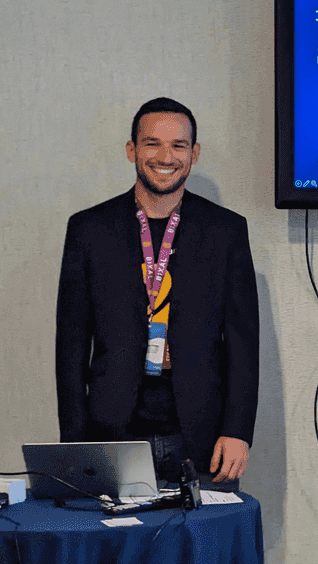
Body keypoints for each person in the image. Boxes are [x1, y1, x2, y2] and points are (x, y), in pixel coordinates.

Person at [56, 98, 259, 492]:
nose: (166, 156)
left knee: (196, 550)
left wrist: (238, 431)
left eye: (179, 146)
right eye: (152, 143)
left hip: (202, 438)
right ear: (132, 149)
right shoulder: (88, 229)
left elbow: (242, 344)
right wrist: (74, 441)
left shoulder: (226, 231)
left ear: (194, 154)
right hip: (110, 433)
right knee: (119, 549)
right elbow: (71, 346)